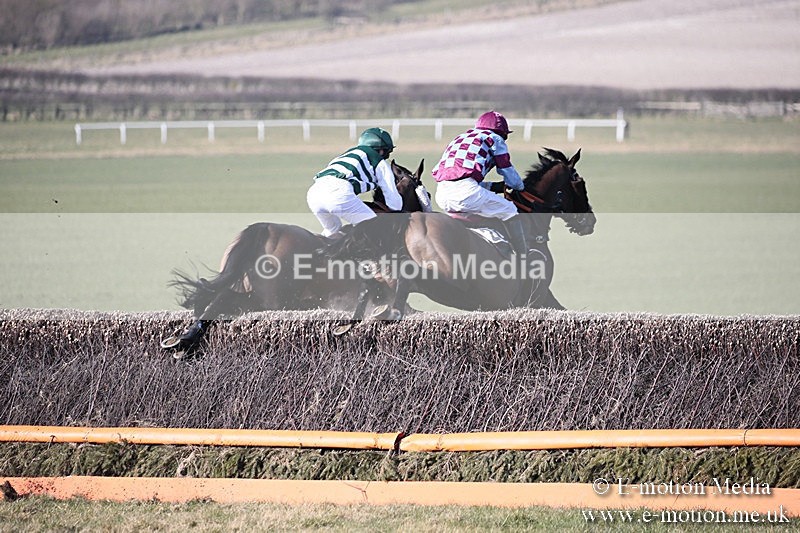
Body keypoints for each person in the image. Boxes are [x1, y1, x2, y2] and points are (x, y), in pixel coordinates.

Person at [432, 110, 529, 255]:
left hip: (441, 195)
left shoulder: (460, 137)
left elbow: (459, 177)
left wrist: (492, 186)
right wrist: (520, 186)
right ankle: (523, 258)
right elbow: (506, 169)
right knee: (510, 210)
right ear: (502, 133)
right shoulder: (495, 138)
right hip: (467, 194)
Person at [307, 127, 402, 238]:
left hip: (314, 193)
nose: (386, 157)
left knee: (332, 231)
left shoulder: (346, 155)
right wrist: (398, 213)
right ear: (381, 150)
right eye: (387, 153)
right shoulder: (379, 161)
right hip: (337, 193)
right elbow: (392, 197)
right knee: (375, 228)